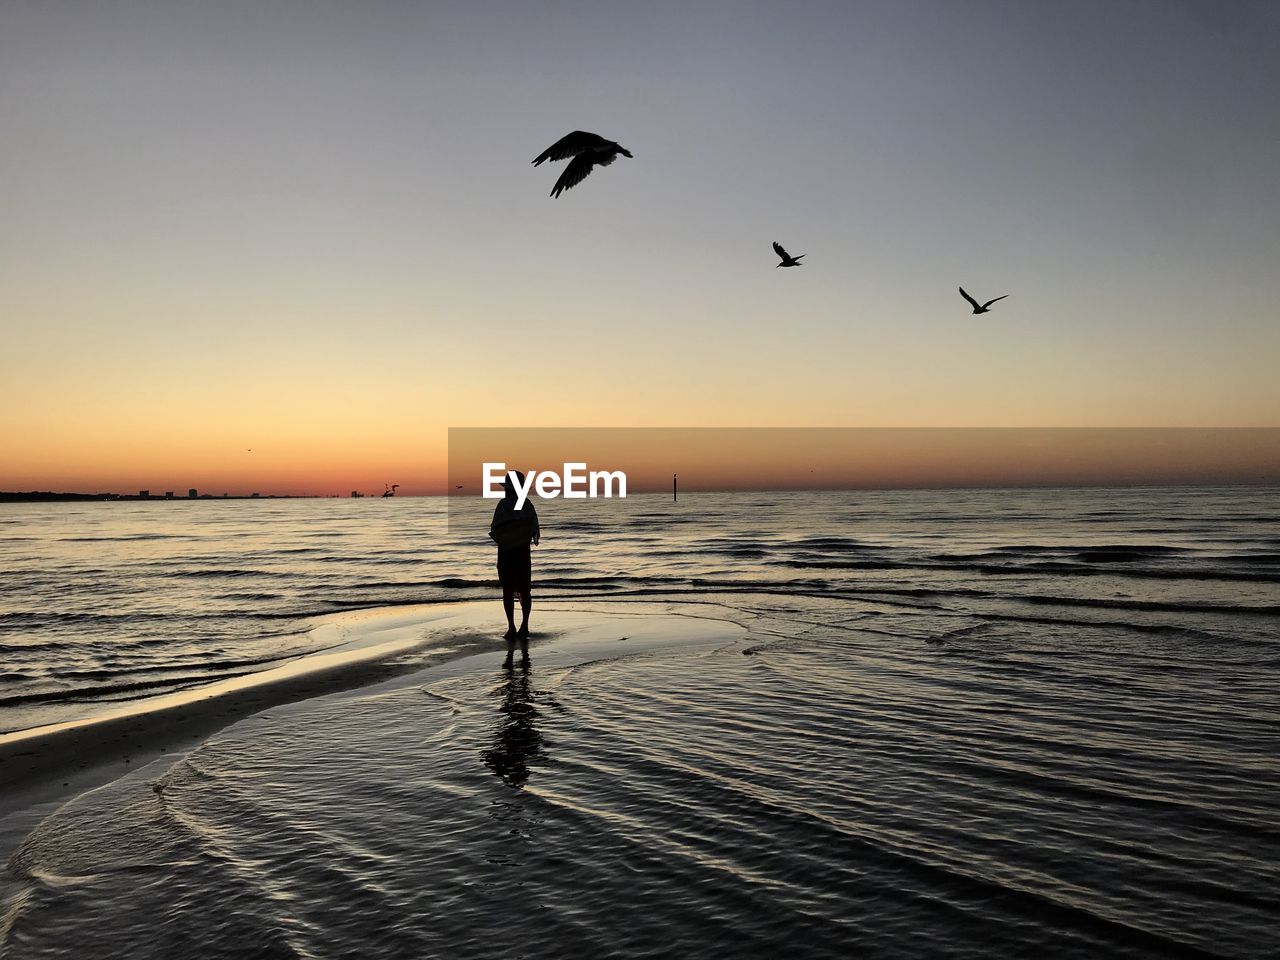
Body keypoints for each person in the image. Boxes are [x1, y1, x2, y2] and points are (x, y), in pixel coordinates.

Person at [489, 470, 540, 645]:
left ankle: (511, 627)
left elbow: (495, 529)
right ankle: (525, 625)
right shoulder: (526, 504)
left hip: (506, 551)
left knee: (508, 590)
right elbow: (535, 532)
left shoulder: (503, 505)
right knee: (525, 589)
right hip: (522, 552)